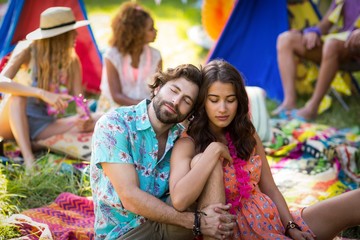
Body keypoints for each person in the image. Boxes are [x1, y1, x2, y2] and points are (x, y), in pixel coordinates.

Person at [169, 59, 360, 239]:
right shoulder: (188, 143)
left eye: (230, 99)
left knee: (356, 200)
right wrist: (215, 150)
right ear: (203, 102)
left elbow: (270, 187)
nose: (223, 108)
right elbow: (179, 199)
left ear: (239, 101)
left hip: (271, 220)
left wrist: (291, 227)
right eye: (214, 99)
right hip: (235, 232)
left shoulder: (246, 133)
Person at [90, 63, 236, 240]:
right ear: (158, 87)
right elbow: (130, 196)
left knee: (205, 163)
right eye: (174, 91)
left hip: (166, 224)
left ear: (189, 112)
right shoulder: (114, 124)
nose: (176, 102)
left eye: (186, 101)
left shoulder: (180, 138)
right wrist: (196, 222)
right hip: (124, 232)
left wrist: (215, 150)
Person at [0, 7, 96, 169]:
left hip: (42, 125)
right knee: (18, 97)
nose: (75, 35)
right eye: (70, 32)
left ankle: (37, 144)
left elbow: (79, 99)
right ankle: (29, 159)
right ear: (58, 37)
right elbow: (1, 81)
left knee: (100, 118)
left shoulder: (72, 61)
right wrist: (42, 93)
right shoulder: (27, 51)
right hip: (10, 121)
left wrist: (83, 115)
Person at [273, 0, 360, 120]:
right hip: (343, 43)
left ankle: (312, 109)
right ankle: (289, 103)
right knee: (286, 39)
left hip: (352, 49)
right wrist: (315, 32)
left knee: (331, 45)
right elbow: (327, 22)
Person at [96, 2, 162, 113]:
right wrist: (145, 106)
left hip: (146, 108)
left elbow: (158, 90)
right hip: (116, 106)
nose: (156, 31)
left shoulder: (156, 56)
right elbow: (116, 95)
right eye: (151, 29)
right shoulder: (112, 56)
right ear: (137, 33)